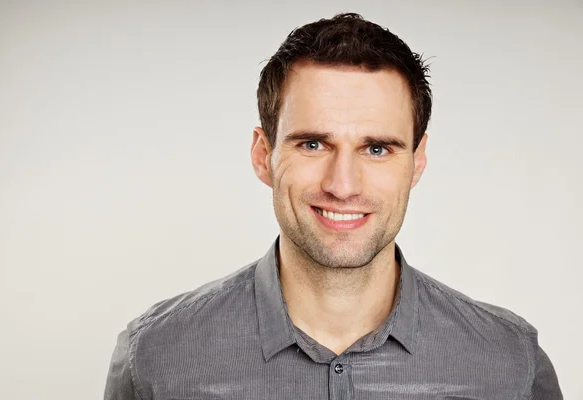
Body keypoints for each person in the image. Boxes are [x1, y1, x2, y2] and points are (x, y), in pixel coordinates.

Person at [103, 12, 562, 399]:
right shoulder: (156, 358)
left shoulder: (510, 365)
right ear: (264, 156)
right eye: (314, 144)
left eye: (377, 148)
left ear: (416, 162)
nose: (343, 186)